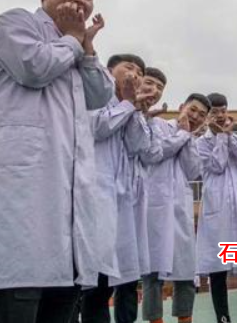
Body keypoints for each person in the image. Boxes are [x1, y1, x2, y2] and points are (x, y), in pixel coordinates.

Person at [0, 0, 113, 323]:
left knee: (63, 295)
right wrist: (72, 40)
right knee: (22, 286)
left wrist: (87, 49)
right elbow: (33, 67)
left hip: (69, 201)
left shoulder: (77, 47)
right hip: (25, 188)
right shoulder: (16, 23)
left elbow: (100, 95)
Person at [81, 54, 154, 323]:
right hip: (93, 192)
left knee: (113, 279)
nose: (135, 74)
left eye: (140, 72)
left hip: (119, 200)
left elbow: (138, 146)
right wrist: (127, 104)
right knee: (93, 281)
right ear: (109, 70)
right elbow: (98, 127)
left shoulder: (130, 107)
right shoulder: (95, 95)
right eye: (129, 67)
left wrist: (134, 109)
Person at [140, 91, 209, 323]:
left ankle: (185, 319)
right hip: (155, 207)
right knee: (152, 273)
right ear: (181, 107)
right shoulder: (159, 125)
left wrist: (188, 138)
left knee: (185, 272)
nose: (196, 116)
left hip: (180, 209)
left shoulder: (193, 140)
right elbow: (155, 153)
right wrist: (182, 134)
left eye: (201, 115)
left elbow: (192, 171)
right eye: (193, 110)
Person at [197, 93, 237, 323]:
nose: (219, 115)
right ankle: (223, 318)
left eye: (222, 111)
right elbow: (217, 165)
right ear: (207, 116)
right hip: (217, 209)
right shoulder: (200, 143)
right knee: (218, 268)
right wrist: (221, 138)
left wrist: (229, 137)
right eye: (214, 112)